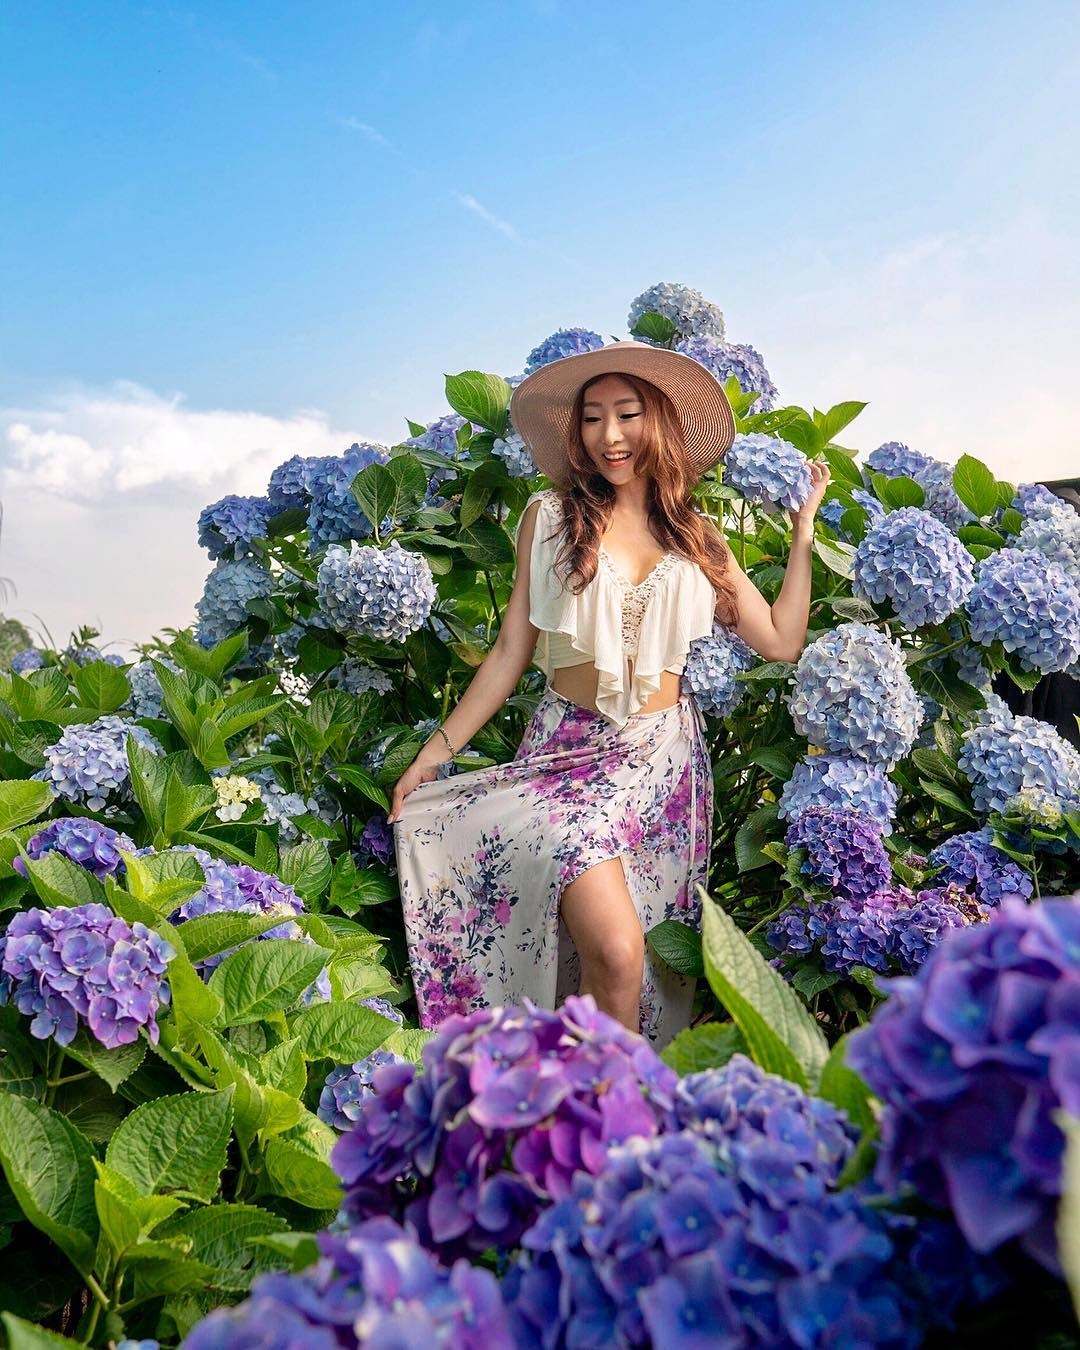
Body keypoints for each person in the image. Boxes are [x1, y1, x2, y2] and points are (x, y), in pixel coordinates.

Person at [387, 340, 829, 1047]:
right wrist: (433, 755)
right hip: (567, 757)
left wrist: (802, 533)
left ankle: (598, 1129)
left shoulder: (699, 540)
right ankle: (588, 1123)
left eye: (626, 414)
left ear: (659, 423)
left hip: (663, 769)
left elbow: (779, 641)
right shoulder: (550, 518)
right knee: (618, 951)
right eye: (592, 418)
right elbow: (509, 654)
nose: (608, 435)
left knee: (629, 966)